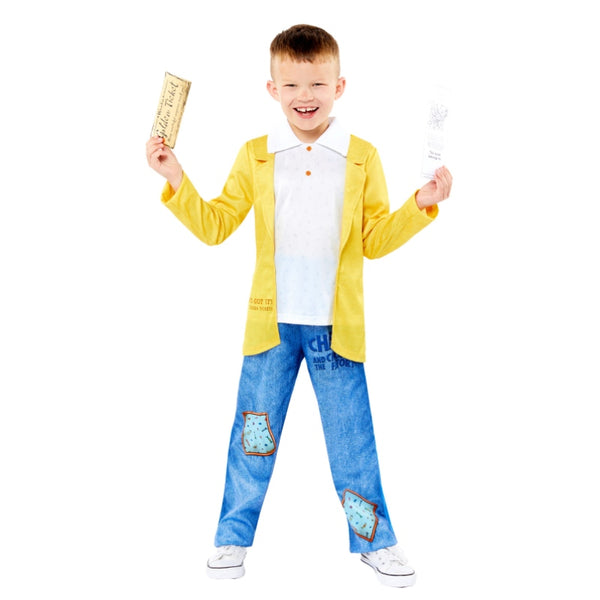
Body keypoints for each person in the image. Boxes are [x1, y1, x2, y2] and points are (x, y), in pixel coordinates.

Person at [146, 24, 452, 588]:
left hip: (337, 331)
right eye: (291, 84)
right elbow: (215, 226)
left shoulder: (361, 158)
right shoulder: (256, 156)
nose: (304, 95)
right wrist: (176, 179)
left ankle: (374, 541)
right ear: (272, 89)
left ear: (339, 85)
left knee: (351, 440)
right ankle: (231, 539)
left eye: (316, 82)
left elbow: (375, 239)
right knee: (252, 438)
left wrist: (419, 204)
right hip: (272, 327)